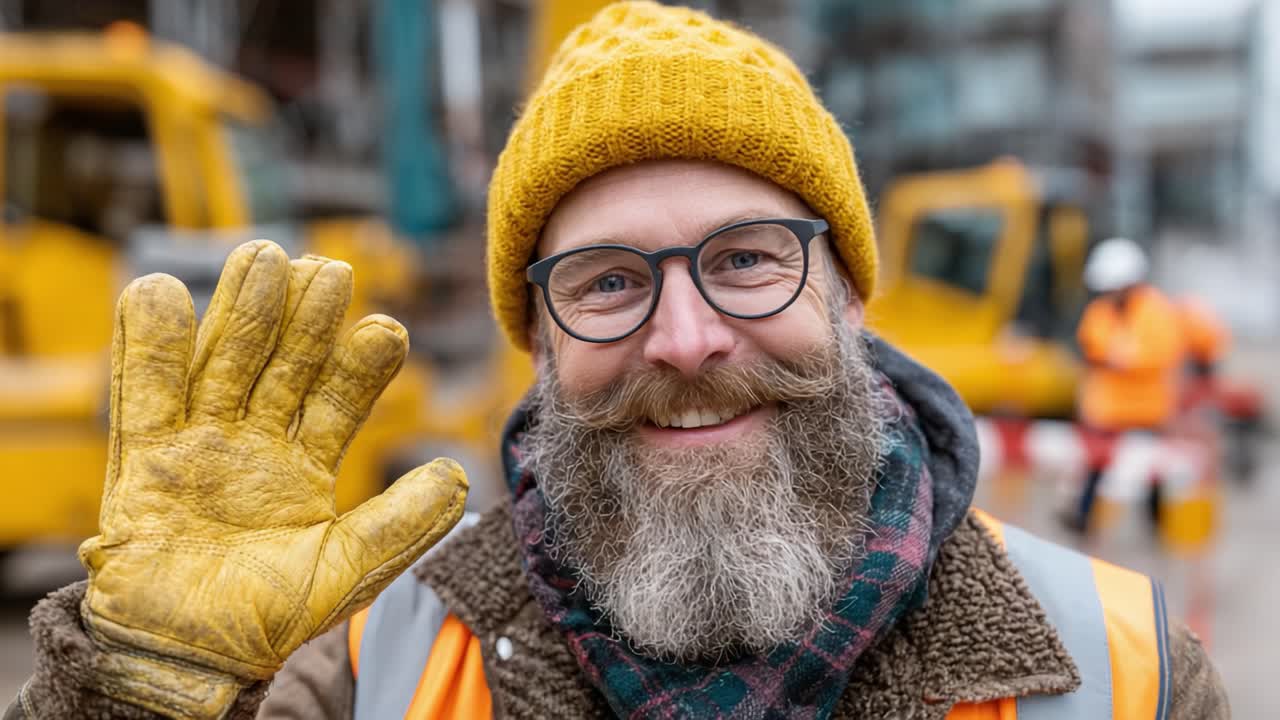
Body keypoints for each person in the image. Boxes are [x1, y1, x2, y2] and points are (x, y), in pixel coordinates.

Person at [7, 3, 1227, 718]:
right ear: (536, 338)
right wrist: (127, 687)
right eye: (606, 283)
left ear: (851, 291)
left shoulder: (1119, 667)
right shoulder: (372, 666)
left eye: (748, 260)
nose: (685, 339)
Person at [1069, 236, 1188, 534]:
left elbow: (1162, 353)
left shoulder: (1157, 311)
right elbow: (1091, 345)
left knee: (1152, 470)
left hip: (1146, 407)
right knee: (1096, 465)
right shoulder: (1100, 311)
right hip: (1108, 406)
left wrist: (1122, 358)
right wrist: (1116, 356)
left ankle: (1156, 523)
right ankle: (1083, 517)